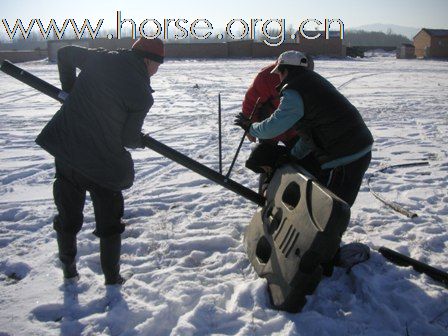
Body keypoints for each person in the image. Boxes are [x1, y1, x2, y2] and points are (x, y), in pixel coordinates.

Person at [35, 37, 164, 285]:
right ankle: (112, 279)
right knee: (109, 224)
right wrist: (140, 141)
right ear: (148, 60)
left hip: (67, 153)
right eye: (158, 65)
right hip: (103, 165)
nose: (157, 72)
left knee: (68, 217)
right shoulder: (141, 94)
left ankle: (69, 270)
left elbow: (65, 53)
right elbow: (128, 138)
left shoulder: (101, 58)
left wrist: (70, 90)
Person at [235, 50, 373, 207]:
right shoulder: (311, 82)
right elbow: (312, 132)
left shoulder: (295, 90)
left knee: (332, 207)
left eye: (279, 73)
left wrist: (251, 128)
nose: (278, 77)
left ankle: (327, 230)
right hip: (354, 146)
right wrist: (293, 156)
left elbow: (275, 125)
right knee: (332, 203)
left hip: (345, 154)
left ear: (285, 70)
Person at [241, 56, 318, 194]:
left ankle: (294, 192)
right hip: (268, 123)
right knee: (266, 159)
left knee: (298, 158)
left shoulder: (306, 80)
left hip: (294, 126)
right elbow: (251, 101)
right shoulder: (266, 77)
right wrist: (250, 127)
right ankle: (265, 193)